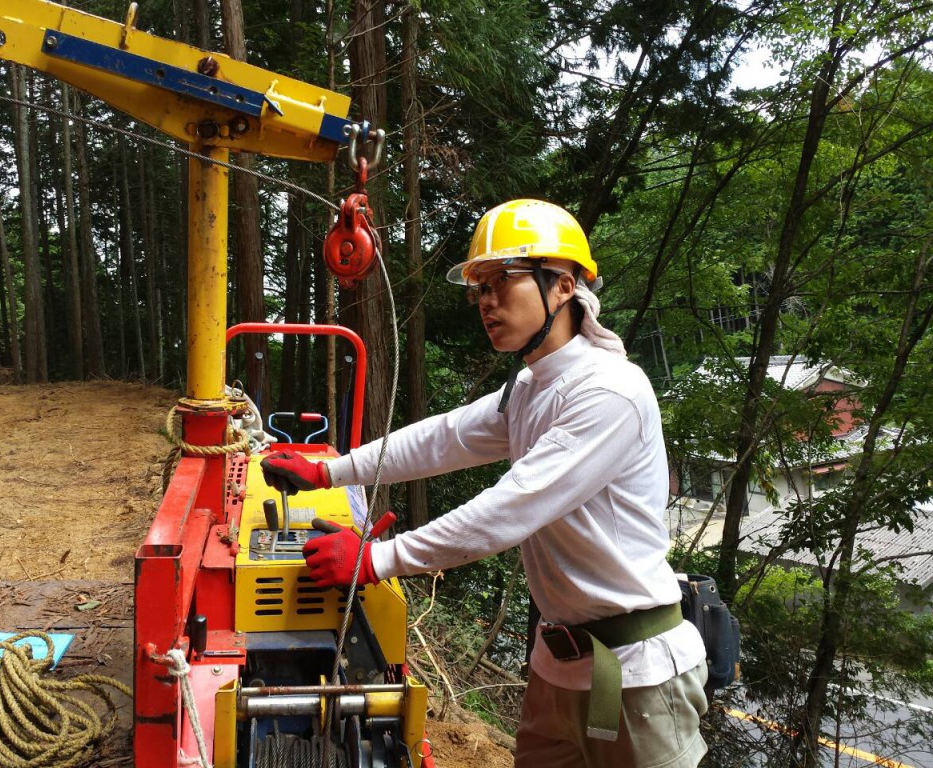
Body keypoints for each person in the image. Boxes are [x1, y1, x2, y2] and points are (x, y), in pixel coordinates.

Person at [262, 199, 709, 768]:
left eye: (502, 281)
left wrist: (372, 561)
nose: (486, 301)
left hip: (637, 676)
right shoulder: (530, 387)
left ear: (564, 284)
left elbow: (511, 507)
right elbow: (442, 438)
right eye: (479, 287)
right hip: (560, 666)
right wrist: (326, 469)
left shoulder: (608, 392)